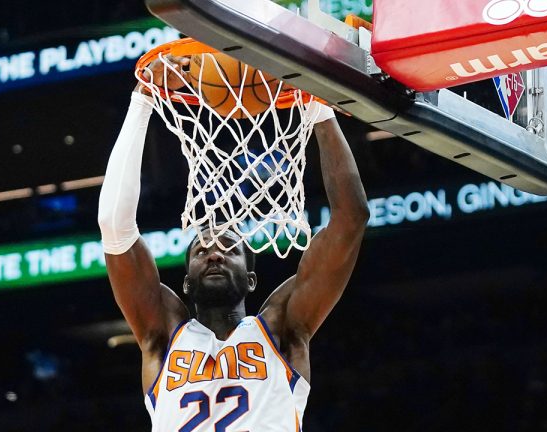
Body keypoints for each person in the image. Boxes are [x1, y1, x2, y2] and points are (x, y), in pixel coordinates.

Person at [98, 55, 369, 431]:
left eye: (231, 247)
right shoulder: (162, 334)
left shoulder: (282, 330)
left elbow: (350, 219)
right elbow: (114, 226)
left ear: (252, 279)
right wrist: (143, 100)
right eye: (201, 249)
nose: (214, 252)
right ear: (186, 282)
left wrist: (318, 108)